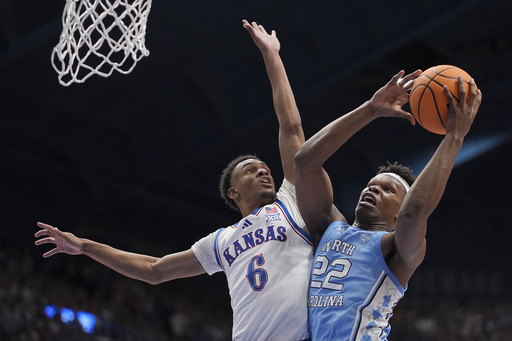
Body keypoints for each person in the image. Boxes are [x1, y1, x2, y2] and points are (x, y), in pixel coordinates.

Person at [35, 20, 314, 341]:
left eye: (265, 167)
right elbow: (155, 270)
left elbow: (290, 126)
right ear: (233, 192)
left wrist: (272, 56)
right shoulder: (221, 241)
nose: (264, 171)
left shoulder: (290, 200)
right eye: (251, 170)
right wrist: (84, 246)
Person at [294, 71, 482, 340]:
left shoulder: (395, 250)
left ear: (397, 213)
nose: (373, 189)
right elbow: (305, 162)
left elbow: (414, 212)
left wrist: (454, 136)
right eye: (371, 185)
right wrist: (370, 110)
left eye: (387, 190)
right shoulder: (329, 228)